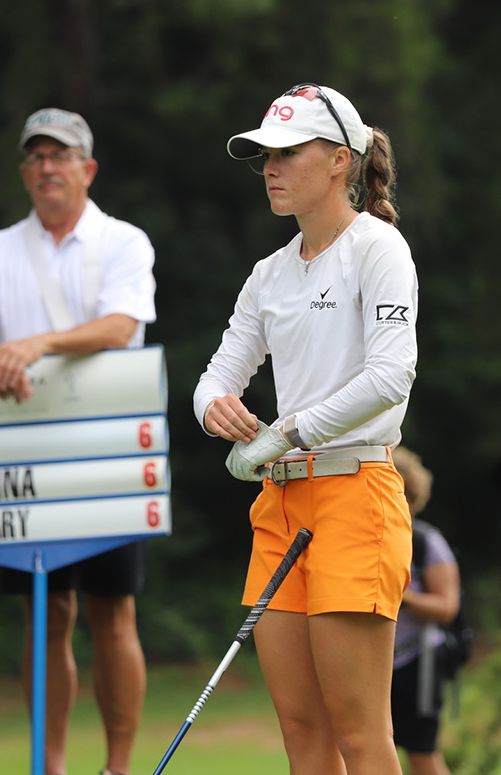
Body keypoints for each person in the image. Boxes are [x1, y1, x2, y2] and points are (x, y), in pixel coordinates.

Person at [193, 83, 418, 775]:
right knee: (301, 732)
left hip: (356, 497)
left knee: (359, 732)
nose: (271, 167)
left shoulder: (378, 249)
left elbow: (390, 376)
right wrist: (215, 411)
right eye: (264, 155)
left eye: (289, 152)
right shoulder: (269, 274)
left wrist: (285, 434)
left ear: (340, 161)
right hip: (282, 508)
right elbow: (216, 377)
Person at [0, 107, 156, 775]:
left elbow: (120, 327)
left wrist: (32, 345)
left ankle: (118, 766)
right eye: (36, 157)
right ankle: (52, 765)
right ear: (24, 172)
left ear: (86, 169)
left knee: (114, 611)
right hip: (27, 454)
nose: (47, 167)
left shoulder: (124, 242)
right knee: (46, 612)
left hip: (111, 447)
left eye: (59, 155)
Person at [391, 446, 460, 775]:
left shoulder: (426, 542)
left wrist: (402, 594)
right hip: (370, 662)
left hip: (418, 663)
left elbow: (447, 607)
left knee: (421, 754)